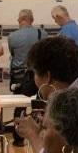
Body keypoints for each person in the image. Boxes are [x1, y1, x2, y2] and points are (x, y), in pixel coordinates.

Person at [6, 9, 47, 146]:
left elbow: (13, 52)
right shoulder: (43, 34)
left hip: (20, 76)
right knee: (41, 105)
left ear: (19, 20)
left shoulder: (12, 37)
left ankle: (18, 138)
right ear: (32, 20)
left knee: (19, 106)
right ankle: (41, 135)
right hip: (40, 75)